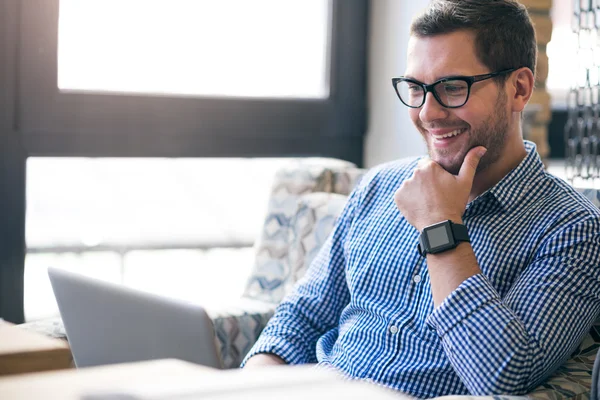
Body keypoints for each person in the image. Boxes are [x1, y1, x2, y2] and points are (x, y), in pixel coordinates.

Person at [242, 0, 600, 397]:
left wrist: (440, 225)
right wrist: (251, 387)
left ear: (519, 89)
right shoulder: (380, 186)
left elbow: (502, 376)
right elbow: (302, 318)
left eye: (452, 87)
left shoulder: (573, 228)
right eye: (416, 88)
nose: (428, 113)